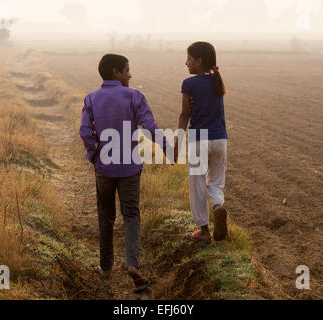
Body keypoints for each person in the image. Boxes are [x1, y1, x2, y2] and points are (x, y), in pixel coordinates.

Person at [79, 54, 170, 292]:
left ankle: (106, 266)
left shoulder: (91, 98)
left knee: (106, 216)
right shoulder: (134, 96)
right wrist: (168, 149)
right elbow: (150, 128)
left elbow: (85, 131)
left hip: (104, 168)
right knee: (131, 216)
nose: (130, 75)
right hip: (129, 167)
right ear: (115, 72)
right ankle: (132, 265)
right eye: (127, 70)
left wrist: (94, 155)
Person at [174, 42, 229, 242]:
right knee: (215, 182)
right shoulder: (217, 80)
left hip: (199, 139)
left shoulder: (189, 83)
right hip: (220, 138)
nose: (186, 63)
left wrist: (178, 142)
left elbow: (185, 114)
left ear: (199, 61)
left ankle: (204, 231)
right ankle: (218, 207)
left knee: (197, 184)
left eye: (189, 59)